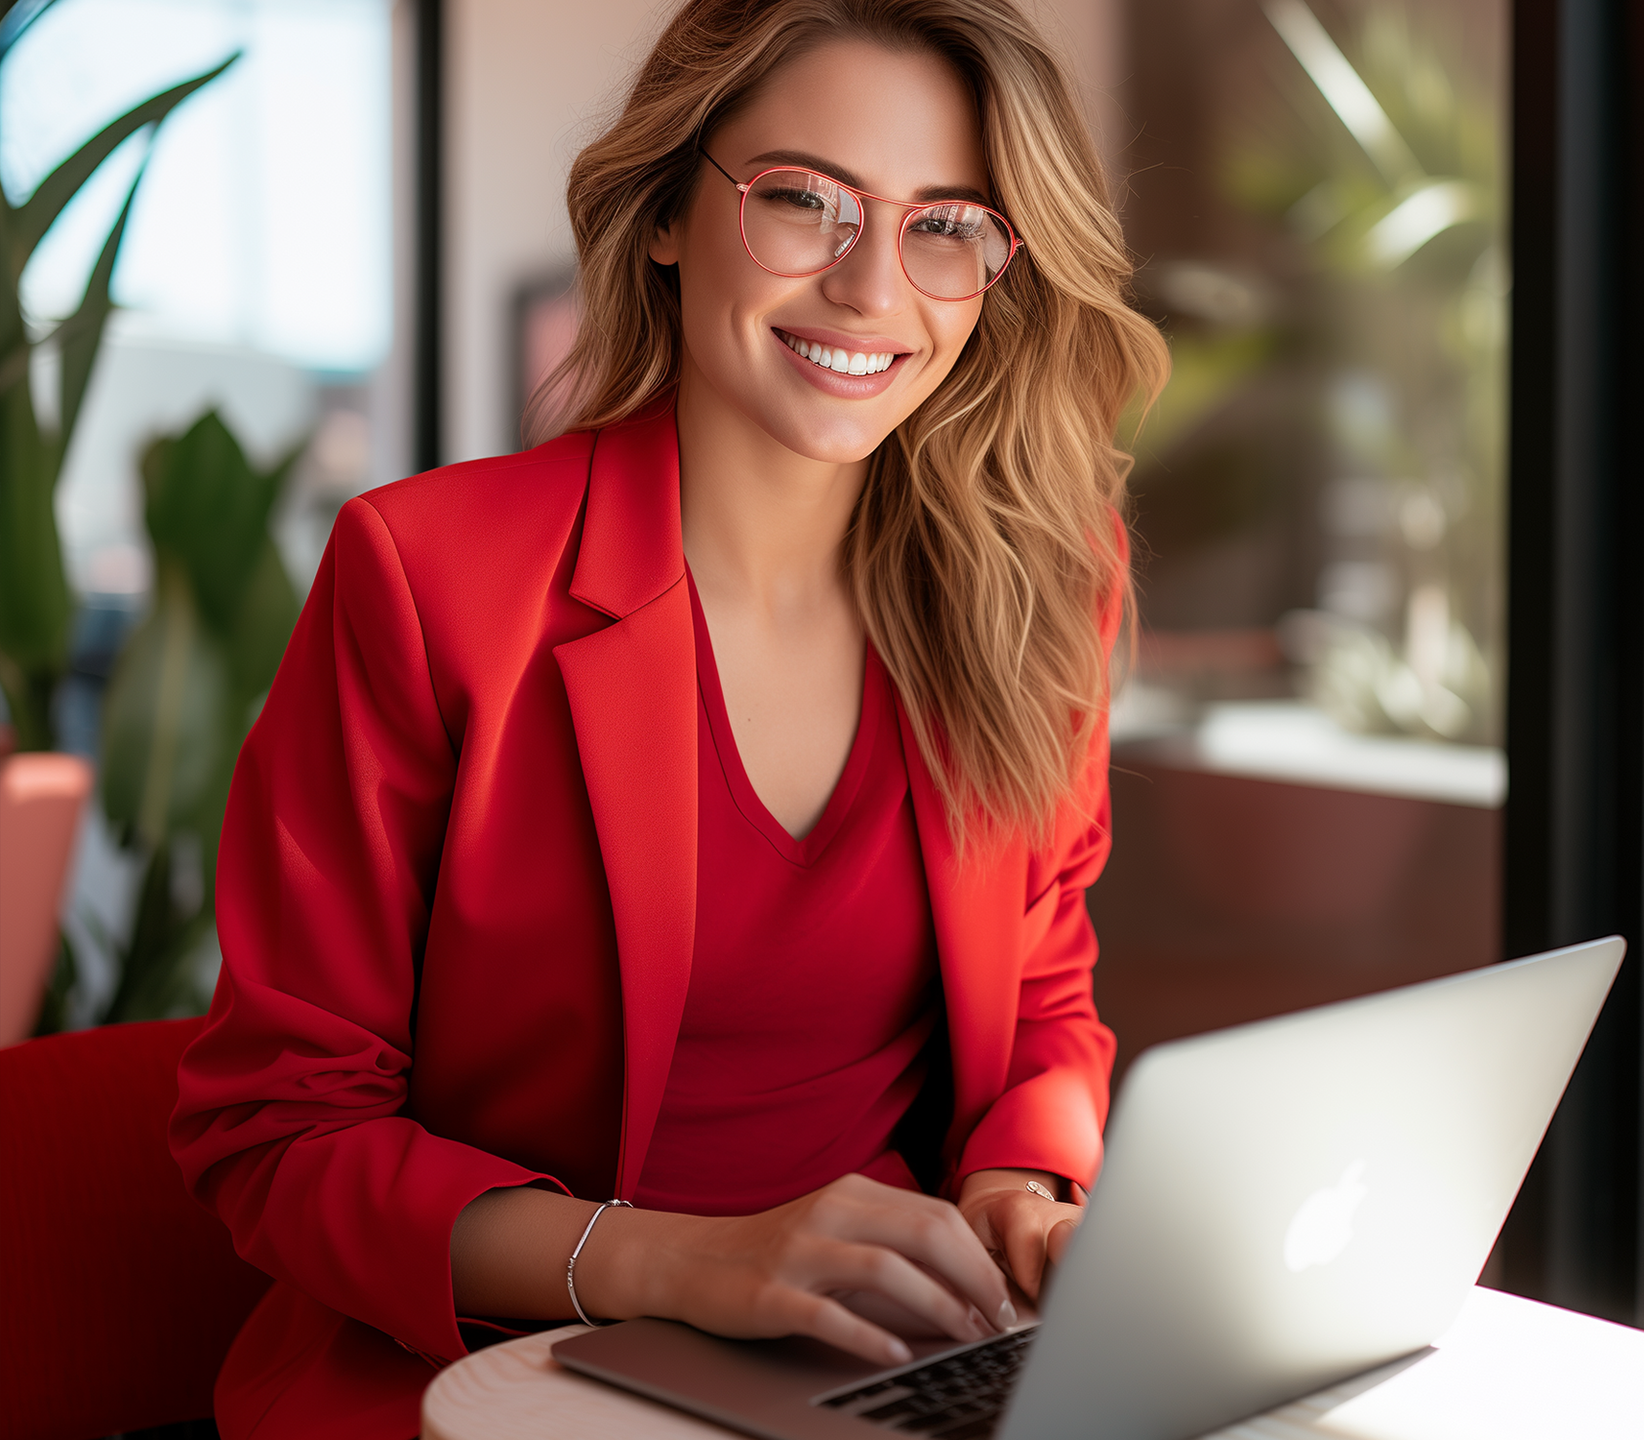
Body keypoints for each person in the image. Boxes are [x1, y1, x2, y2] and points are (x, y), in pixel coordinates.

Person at [170, 1, 1168, 1435]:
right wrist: (684, 1266)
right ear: (667, 214)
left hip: (891, 1365)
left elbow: (1042, 1006)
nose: (872, 287)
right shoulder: (429, 578)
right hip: (497, 1381)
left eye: (947, 225)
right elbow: (278, 1135)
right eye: (804, 203)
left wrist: (1024, 1197)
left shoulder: (1043, 586)